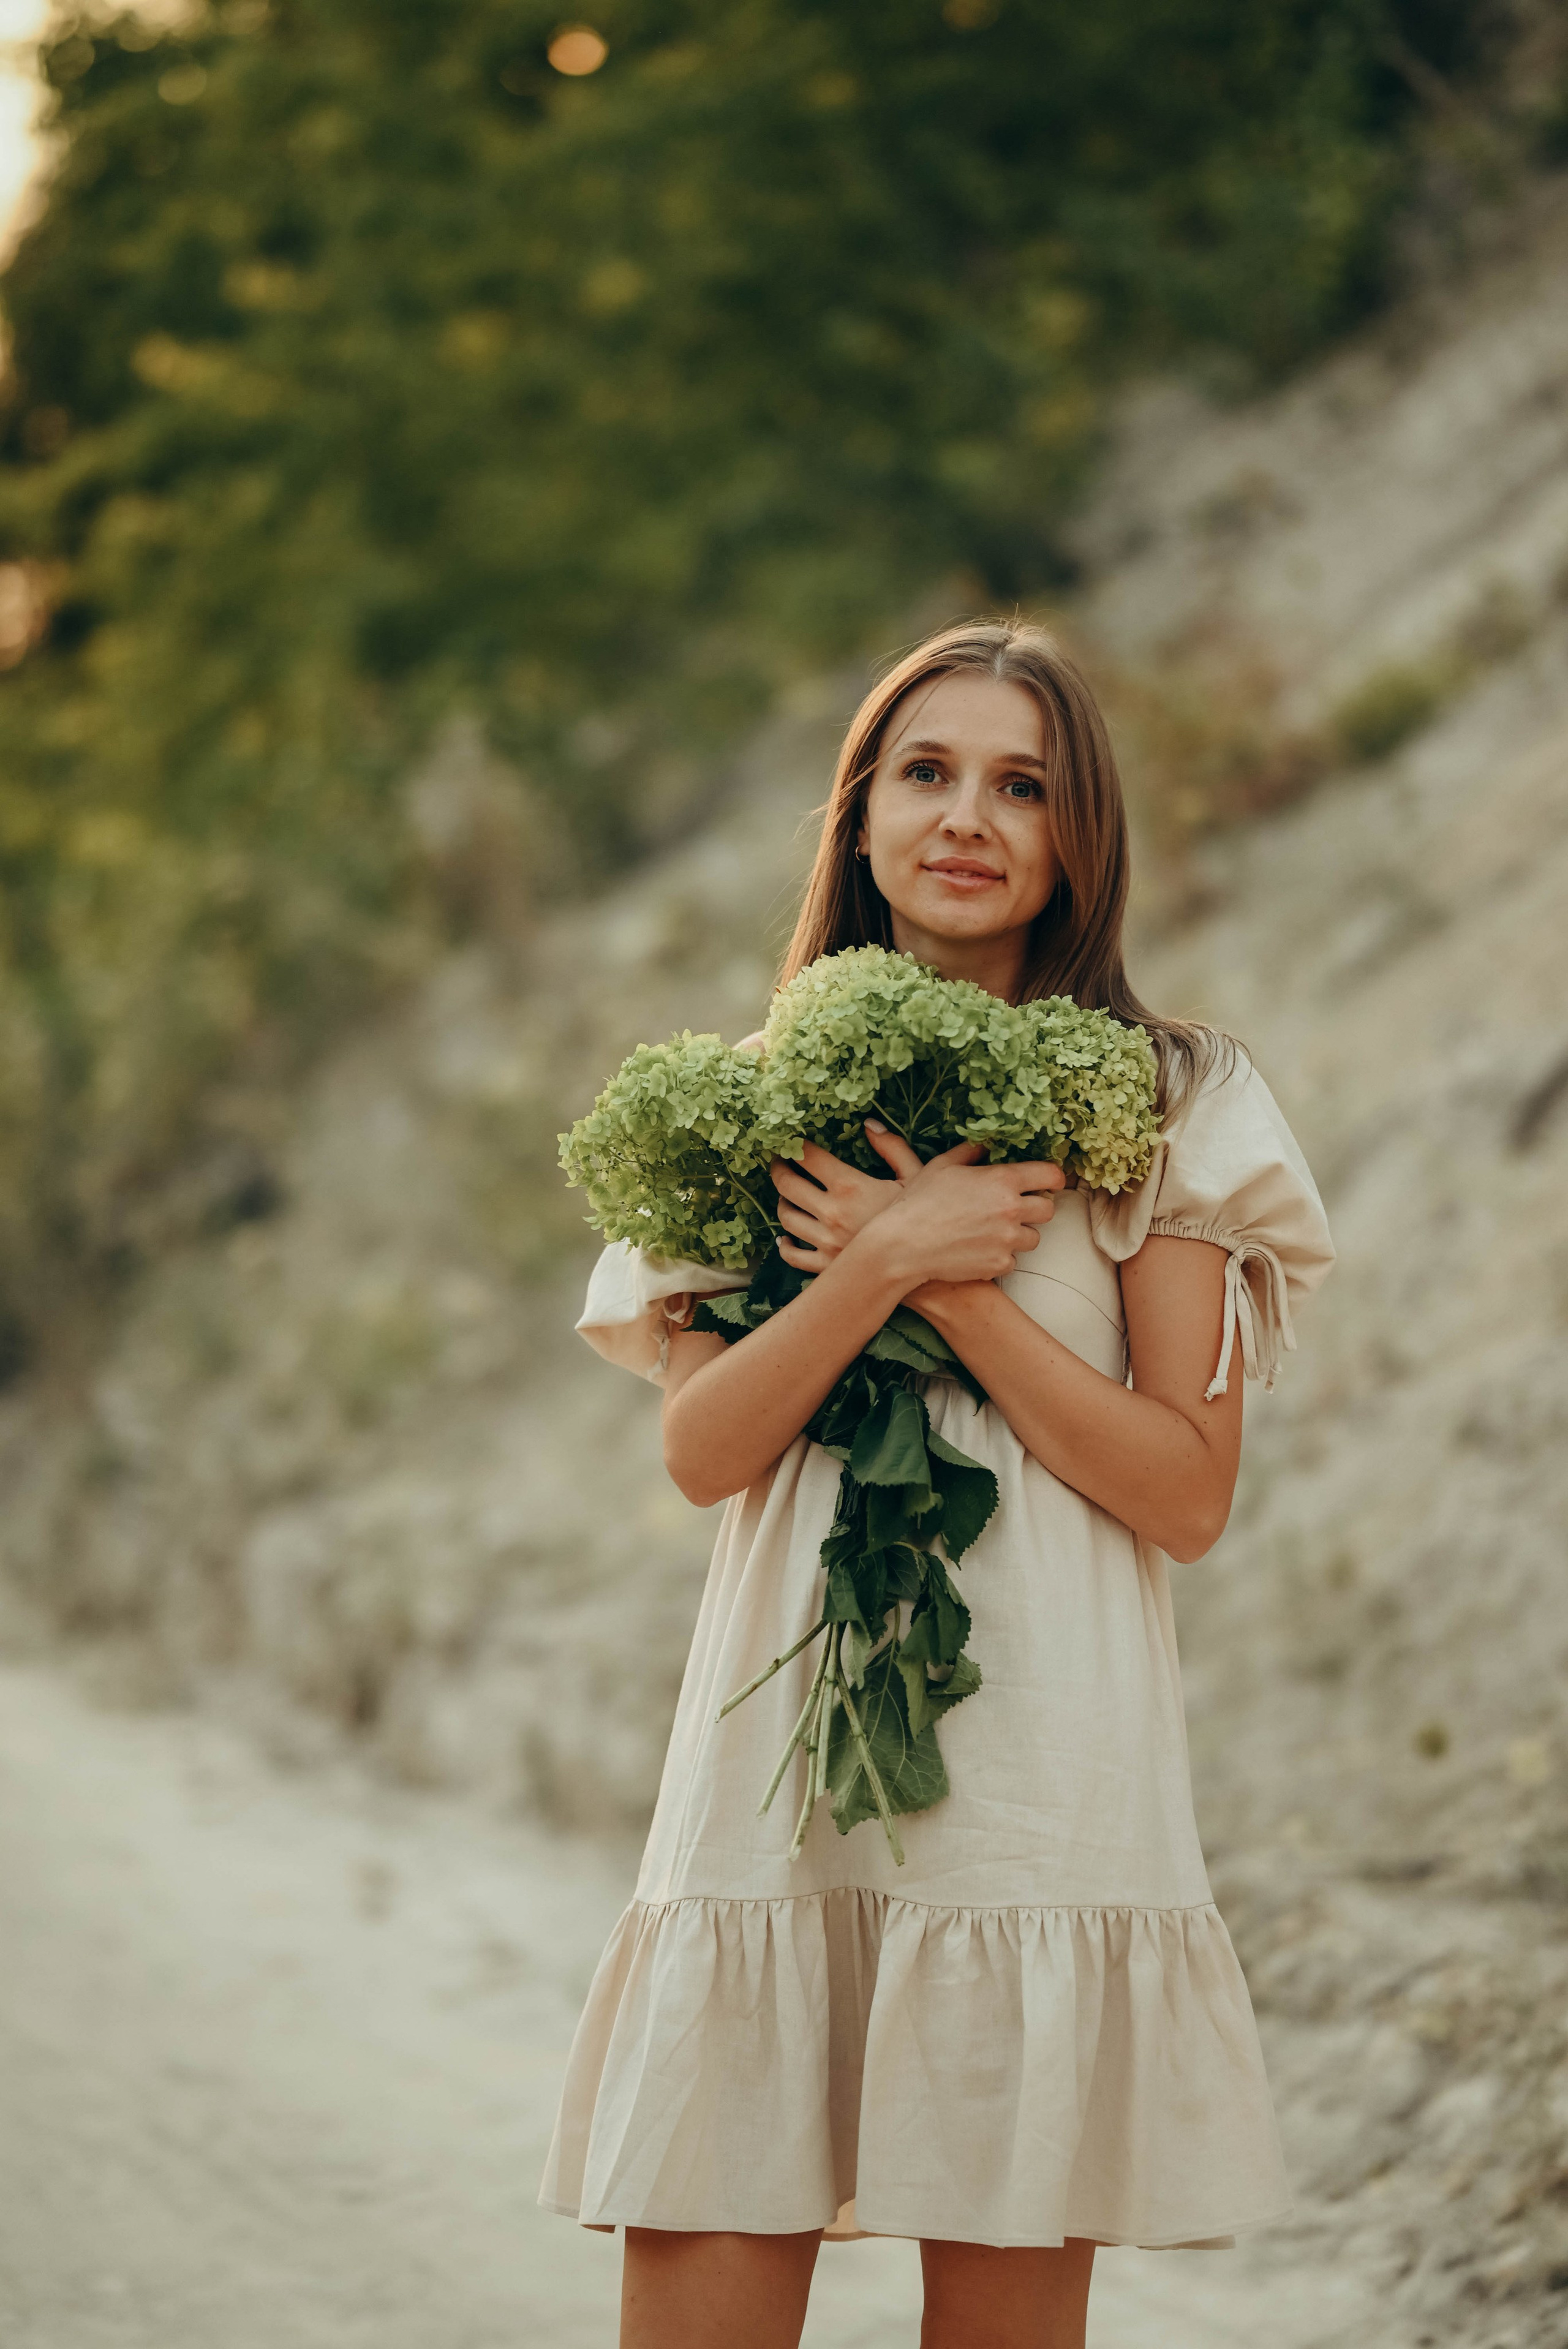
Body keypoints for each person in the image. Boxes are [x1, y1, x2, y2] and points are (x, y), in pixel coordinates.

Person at [540, 619, 1334, 2349]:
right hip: (773, 1793)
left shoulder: (1163, 1100)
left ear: (1078, 837)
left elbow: (1186, 1493)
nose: (968, 816)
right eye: (927, 770)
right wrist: (872, 1265)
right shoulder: (740, 1105)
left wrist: (964, 1293)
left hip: (1042, 1789)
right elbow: (703, 1449)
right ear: (863, 812)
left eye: (1021, 783)